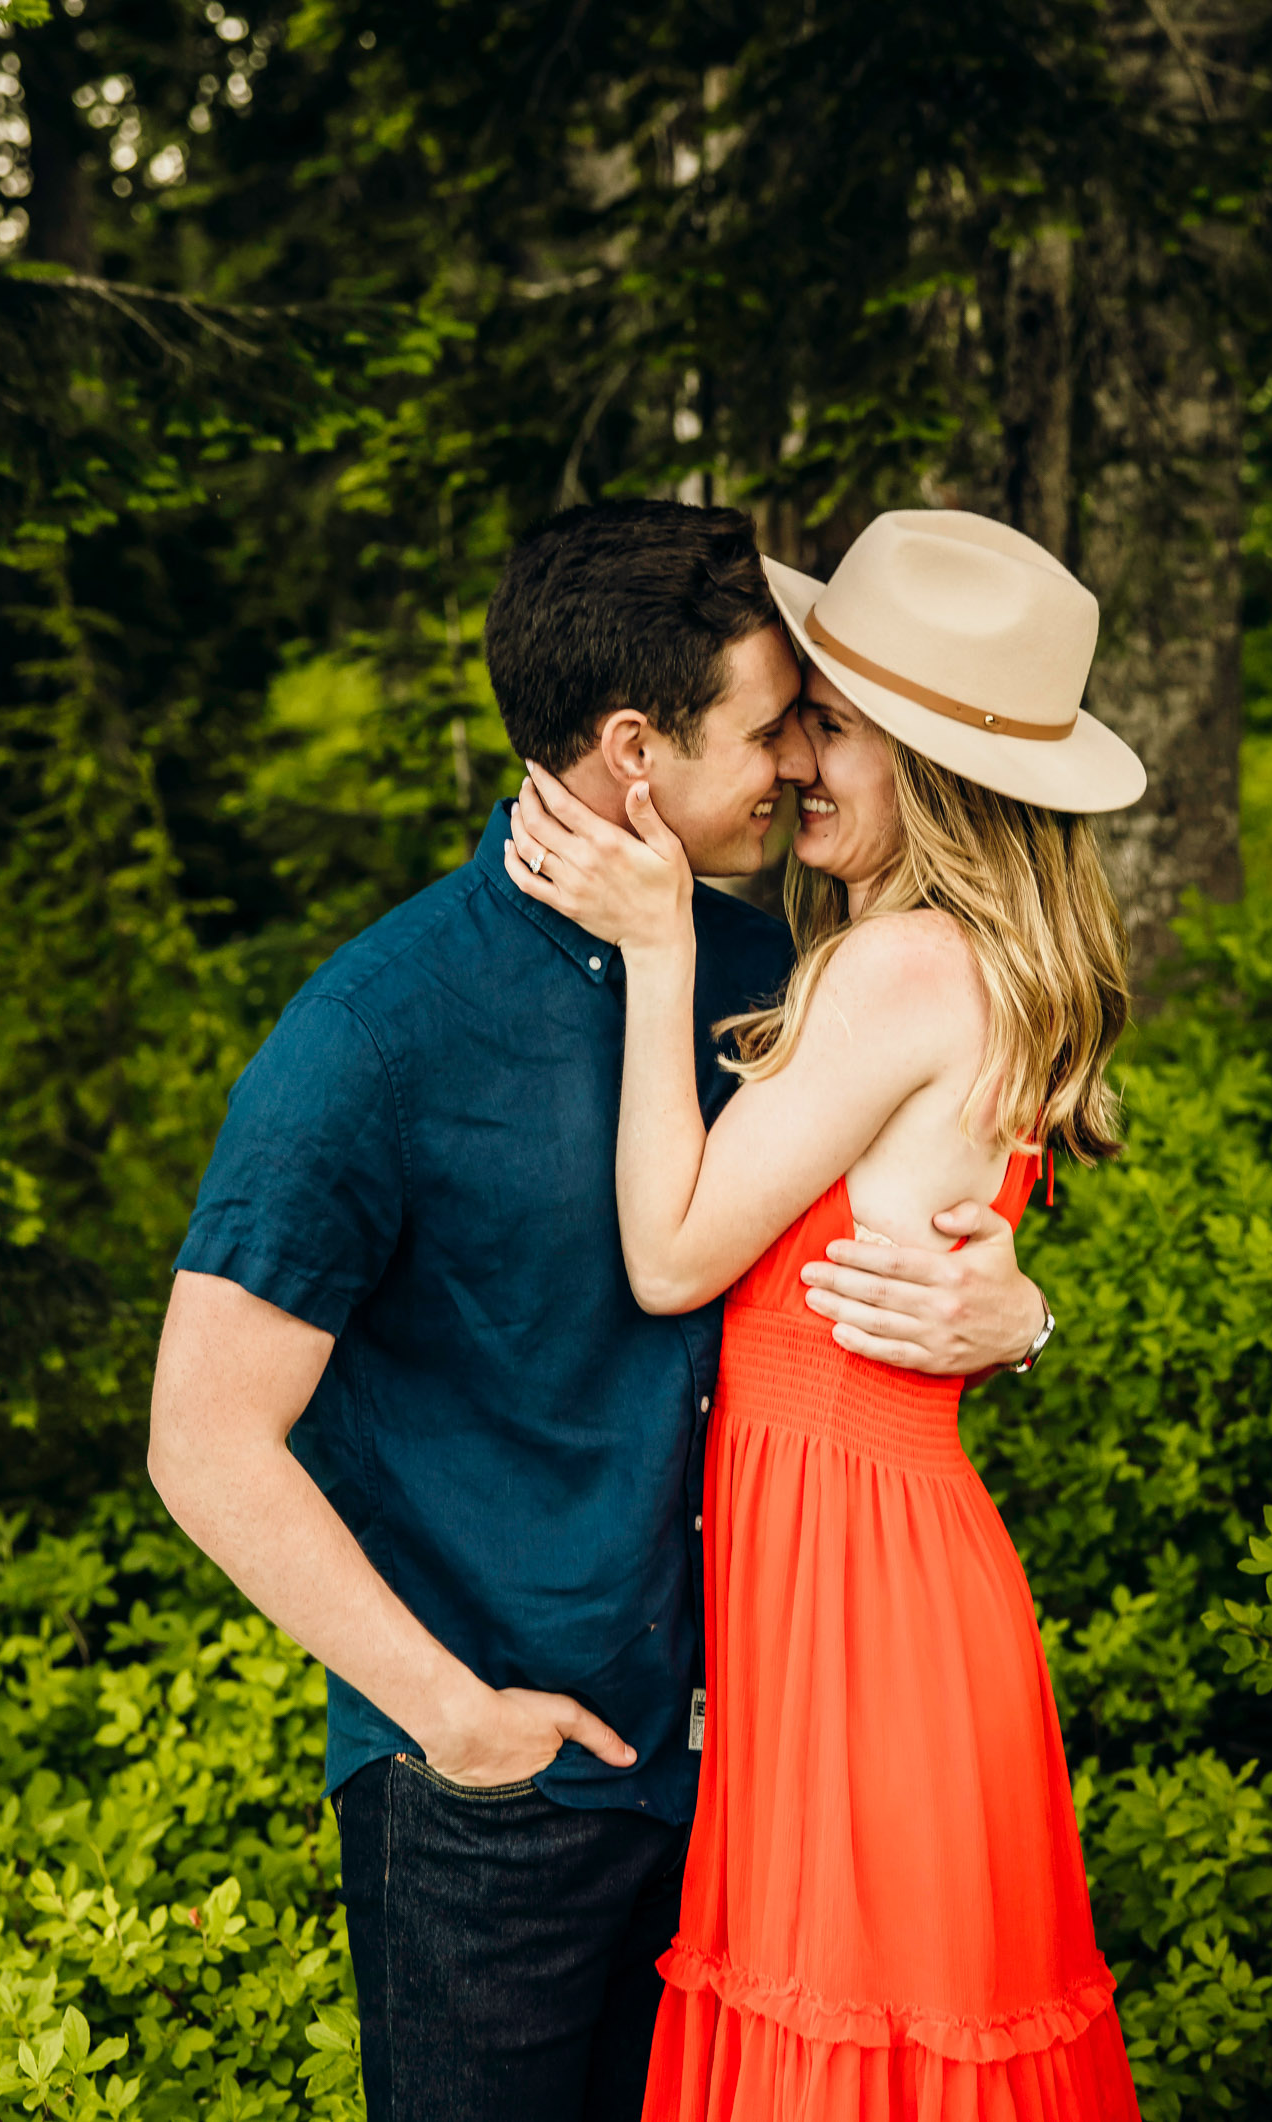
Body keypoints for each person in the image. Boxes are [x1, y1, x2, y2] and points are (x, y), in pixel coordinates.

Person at [145, 500, 1055, 2122]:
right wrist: (450, 1717)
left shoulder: (767, 957)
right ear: (639, 749)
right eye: (774, 727)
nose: (793, 764)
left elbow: (895, 1216)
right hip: (506, 1794)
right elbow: (204, 1435)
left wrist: (1011, 1304)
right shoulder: (374, 1030)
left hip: (764, 1763)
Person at [504, 507, 1148, 2121]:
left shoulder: (900, 970)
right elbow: (904, 1305)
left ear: (927, 769)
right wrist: (1023, 1319)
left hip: (859, 1596)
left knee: (850, 2044)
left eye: (830, 726)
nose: (793, 755)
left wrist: (658, 946)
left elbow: (669, 1256)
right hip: (878, 1576)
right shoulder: (980, 963)